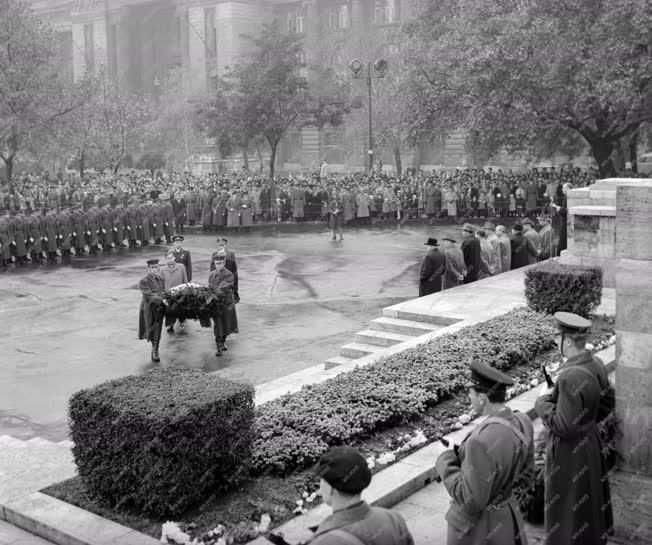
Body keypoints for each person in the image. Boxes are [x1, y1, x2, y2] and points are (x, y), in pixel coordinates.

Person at [535, 312, 615, 545]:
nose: (554, 339)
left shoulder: (569, 376)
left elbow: (563, 426)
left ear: (568, 341)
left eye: (556, 335)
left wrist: (543, 401)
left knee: (569, 516)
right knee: (589, 509)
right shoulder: (596, 363)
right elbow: (608, 403)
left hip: (570, 456)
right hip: (590, 445)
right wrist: (587, 421)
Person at [436, 360, 534, 545]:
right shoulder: (523, 421)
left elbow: (470, 500)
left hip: (480, 529)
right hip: (507, 516)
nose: (469, 398)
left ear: (482, 398)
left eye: (470, 393)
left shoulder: (479, 441)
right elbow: (526, 475)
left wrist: (445, 458)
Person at [309, 445, 414, 545]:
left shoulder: (324, 541)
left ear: (330, 488)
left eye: (321, 480)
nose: (320, 485)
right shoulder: (394, 519)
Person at [208, 251, 238, 357]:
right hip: (216, 304)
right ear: (214, 264)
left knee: (226, 324)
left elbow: (223, 287)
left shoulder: (229, 274)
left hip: (227, 303)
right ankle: (219, 346)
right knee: (217, 325)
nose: (219, 265)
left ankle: (223, 341)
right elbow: (209, 287)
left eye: (220, 263)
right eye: (217, 263)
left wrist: (212, 291)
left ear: (224, 263)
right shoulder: (212, 274)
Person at [138, 258, 167, 363]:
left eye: (156, 267)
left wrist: (167, 297)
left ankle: (155, 350)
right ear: (148, 269)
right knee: (151, 326)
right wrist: (161, 299)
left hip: (160, 307)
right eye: (152, 267)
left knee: (157, 327)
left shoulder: (160, 279)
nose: (154, 269)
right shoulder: (144, 281)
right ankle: (154, 348)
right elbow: (148, 294)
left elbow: (163, 291)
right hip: (149, 307)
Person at [160, 251, 188, 333]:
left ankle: (182, 322)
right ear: (166, 260)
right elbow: (161, 283)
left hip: (180, 292)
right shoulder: (163, 270)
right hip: (169, 293)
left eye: (171, 258)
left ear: (174, 258)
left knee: (181, 309)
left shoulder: (181, 266)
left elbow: (185, 279)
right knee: (170, 310)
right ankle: (171, 325)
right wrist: (163, 294)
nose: (170, 260)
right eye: (168, 259)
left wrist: (186, 289)